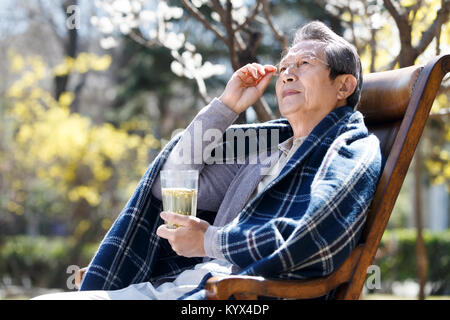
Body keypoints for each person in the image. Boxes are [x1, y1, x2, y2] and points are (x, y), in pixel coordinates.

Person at [32, 21, 382, 300]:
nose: (288, 74)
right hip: (189, 285)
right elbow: (169, 181)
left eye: (304, 64)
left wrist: (210, 242)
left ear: (344, 86)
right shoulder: (265, 145)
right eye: (285, 65)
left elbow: (312, 237)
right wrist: (227, 106)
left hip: (240, 295)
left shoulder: (351, 148)